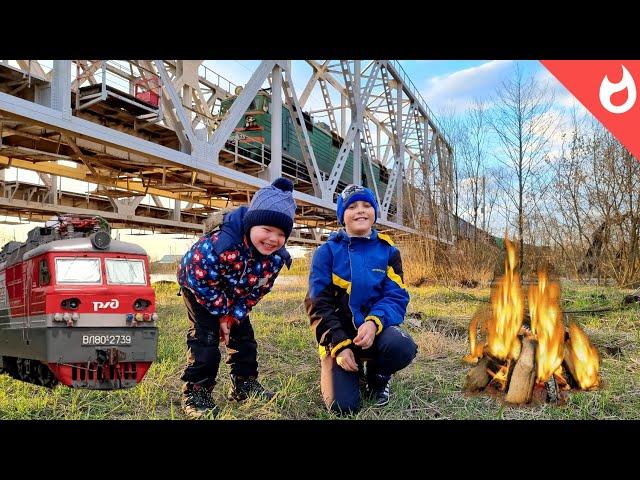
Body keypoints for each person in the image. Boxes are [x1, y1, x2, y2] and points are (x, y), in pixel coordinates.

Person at [177, 177, 296, 418]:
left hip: (235, 295)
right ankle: (196, 391)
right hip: (200, 289)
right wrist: (221, 314)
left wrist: (234, 315)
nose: (273, 238)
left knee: (244, 340)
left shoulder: (275, 259)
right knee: (206, 339)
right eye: (267, 230)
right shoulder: (219, 245)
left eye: (281, 233)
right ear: (251, 225)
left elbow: (257, 291)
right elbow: (199, 278)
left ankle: (244, 384)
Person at [305, 184, 418, 414]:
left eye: (367, 205)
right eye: (352, 206)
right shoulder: (325, 252)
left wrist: (374, 321)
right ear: (342, 216)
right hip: (338, 337)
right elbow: (317, 305)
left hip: (373, 332)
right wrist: (338, 344)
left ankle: (378, 377)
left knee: (403, 346)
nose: (360, 211)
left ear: (375, 212)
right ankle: (339, 365)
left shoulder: (389, 251)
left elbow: (396, 296)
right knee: (343, 406)